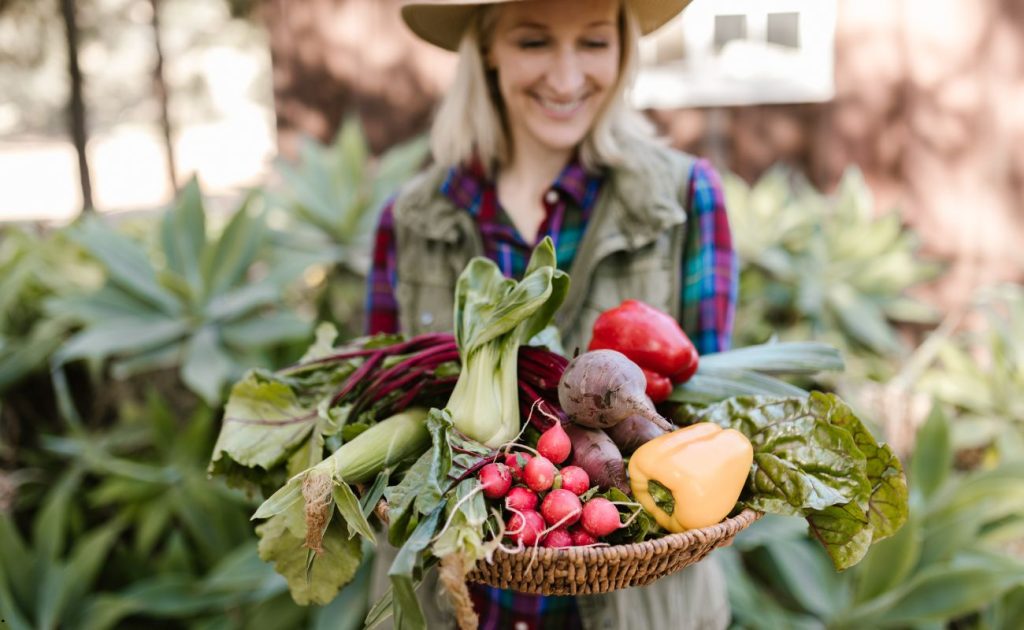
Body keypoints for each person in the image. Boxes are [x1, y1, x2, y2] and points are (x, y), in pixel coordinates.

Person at [364, 0, 737, 627]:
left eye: (593, 43)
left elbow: (708, 420)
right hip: (452, 602)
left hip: (641, 608)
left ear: (623, 49)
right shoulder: (408, 219)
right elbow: (381, 408)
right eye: (533, 42)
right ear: (488, 49)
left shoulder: (686, 199)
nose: (565, 79)